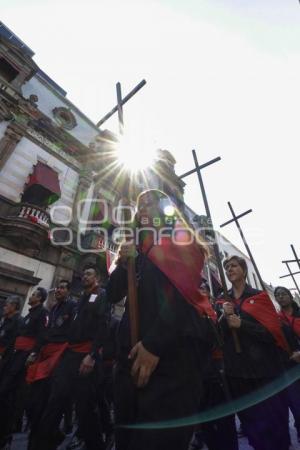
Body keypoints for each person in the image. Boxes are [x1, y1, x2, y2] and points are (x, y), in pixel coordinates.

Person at [107, 189, 216, 450]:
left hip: (171, 359)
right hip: (131, 356)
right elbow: (112, 294)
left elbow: (181, 297)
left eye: (150, 203)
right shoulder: (138, 251)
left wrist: (154, 344)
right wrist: (124, 261)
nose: (143, 208)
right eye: (139, 205)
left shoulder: (182, 241)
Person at [218, 255, 290, 450]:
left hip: (265, 373)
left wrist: (242, 325)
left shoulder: (259, 297)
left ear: (243, 270)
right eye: (227, 267)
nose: (229, 269)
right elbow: (218, 336)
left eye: (233, 265)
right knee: (252, 428)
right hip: (238, 375)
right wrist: (224, 318)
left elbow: (273, 334)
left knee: (275, 425)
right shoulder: (224, 302)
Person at [32, 267, 108, 450]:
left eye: (89, 274)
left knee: (84, 407)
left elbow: (103, 326)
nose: (85, 276)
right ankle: (42, 442)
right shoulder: (80, 298)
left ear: (97, 278)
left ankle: (96, 444)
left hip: (85, 355)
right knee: (56, 398)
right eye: (84, 274)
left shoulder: (101, 295)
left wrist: (92, 355)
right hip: (70, 355)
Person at [26, 280, 76, 448]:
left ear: (69, 291)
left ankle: (46, 439)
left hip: (61, 356)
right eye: (57, 288)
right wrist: (36, 351)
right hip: (46, 355)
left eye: (63, 287)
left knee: (52, 403)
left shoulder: (73, 308)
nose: (58, 290)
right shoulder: (53, 309)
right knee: (35, 402)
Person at [0, 287, 48, 449]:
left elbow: (41, 335)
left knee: (9, 393)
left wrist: (33, 353)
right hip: (15, 355)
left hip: (24, 358)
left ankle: (8, 431)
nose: (31, 296)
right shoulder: (29, 314)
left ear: (40, 298)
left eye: (34, 294)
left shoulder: (41, 313)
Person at [275, 285, 300, 442]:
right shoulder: (276, 319)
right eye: (277, 295)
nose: (281, 296)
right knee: (296, 404)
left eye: (284, 294)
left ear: (290, 296)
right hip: (289, 367)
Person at [0, 295, 22, 374]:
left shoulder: (18, 322)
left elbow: (14, 341)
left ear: (13, 306)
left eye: (6, 305)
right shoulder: (5, 319)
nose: (4, 307)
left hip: (6, 358)